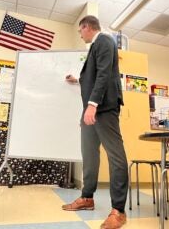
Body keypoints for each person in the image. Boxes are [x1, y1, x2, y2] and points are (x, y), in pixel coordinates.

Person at [63, 15, 128, 229]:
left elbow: (104, 74)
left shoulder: (105, 40)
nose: (80, 34)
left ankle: (118, 210)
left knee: (115, 156)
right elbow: (93, 76)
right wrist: (78, 80)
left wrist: (92, 104)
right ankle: (87, 198)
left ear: (86, 27)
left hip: (104, 108)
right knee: (89, 154)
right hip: (92, 110)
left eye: (80, 30)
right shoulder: (96, 46)